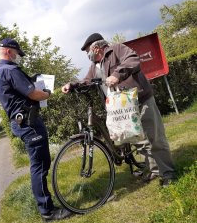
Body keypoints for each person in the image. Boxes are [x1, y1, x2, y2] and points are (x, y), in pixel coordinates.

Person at [61, 33, 176, 187]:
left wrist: (117, 75)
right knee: (137, 140)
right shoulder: (94, 66)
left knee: (155, 137)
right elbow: (86, 81)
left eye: (87, 51)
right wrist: (72, 85)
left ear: (96, 48)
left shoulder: (117, 49)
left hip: (140, 100)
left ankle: (168, 173)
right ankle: (154, 169)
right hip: (121, 108)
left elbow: (133, 59)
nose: (87, 55)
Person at [0, 38, 72, 221]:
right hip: (29, 124)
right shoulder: (10, 70)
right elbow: (34, 94)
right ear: (7, 51)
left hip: (22, 122)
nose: (18, 57)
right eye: (17, 53)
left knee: (39, 165)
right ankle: (48, 211)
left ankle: (46, 207)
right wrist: (48, 94)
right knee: (40, 166)